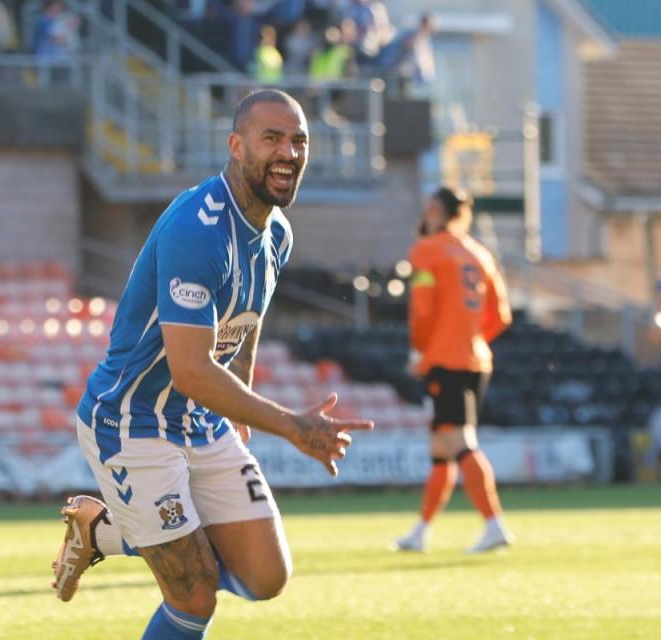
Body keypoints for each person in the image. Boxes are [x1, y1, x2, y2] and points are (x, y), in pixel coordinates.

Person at [50, 89, 373, 639]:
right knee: (194, 596)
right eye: (272, 138)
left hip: (200, 421)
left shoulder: (276, 234)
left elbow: (244, 328)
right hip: (133, 423)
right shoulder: (198, 230)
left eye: (299, 142)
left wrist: (239, 417)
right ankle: (131, 534)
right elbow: (191, 371)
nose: (289, 153)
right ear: (236, 145)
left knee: (265, 576)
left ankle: (101, 530)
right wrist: (293, 427)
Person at [394, 186, 514, 554]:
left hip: (444, 360)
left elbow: (423, 310)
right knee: (441, 447)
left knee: (459, 442)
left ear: (433, 209)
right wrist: (469, 336)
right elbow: (501, 316)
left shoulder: (426, 251)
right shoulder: (480, 253)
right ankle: (420, 531)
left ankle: (494, 524)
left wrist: (419, 350)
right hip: (475, 359)